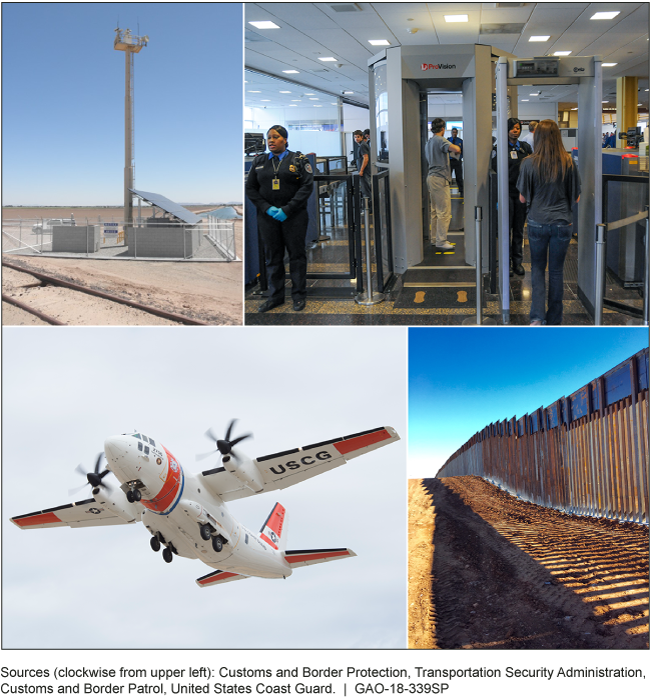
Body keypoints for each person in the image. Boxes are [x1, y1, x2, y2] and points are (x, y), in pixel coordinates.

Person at [517, 119, 581, 326]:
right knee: (556, 271)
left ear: (537, 136)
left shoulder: (528, 162)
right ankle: (555, 319)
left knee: (537, 269)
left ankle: (537, 317)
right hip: (562, 223)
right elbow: (576, 198)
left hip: (537, 222)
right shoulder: (568, 161)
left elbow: (522, 199)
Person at [246, 125, 314, 313]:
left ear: (285, 139)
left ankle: (299, 295)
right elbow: (250, 188)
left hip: (294, 216)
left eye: (275, 137)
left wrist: (287, 209)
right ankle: (275, 296)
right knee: (273, 258)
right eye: (269, 137)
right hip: (268, 218)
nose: (271, 140)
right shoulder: (259, 161)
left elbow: (306, 187)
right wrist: (266, 208)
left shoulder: (299, 160)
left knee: (296, 256)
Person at [492, 117, 532, 276]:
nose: (515, 131)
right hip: (506, 193)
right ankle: (506, 263)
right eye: (512, 128)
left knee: (519, 229)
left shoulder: (525, 148)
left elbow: (532, 167)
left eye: (517, 128)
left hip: (521, 194)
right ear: (507, 130)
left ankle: (517, 262)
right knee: (505, 229)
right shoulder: (499, 148)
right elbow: (495, 168)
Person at [425, 118, 462, 251]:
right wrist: (457, 149)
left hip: (431, 178)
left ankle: (435, 238)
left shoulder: (429, 142)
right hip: (440, 179)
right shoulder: (440, 140)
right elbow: (455, 148)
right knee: (444, 212)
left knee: (435, 211)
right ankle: (441, 241)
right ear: (443, 129)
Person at [354, 129, 371, 202]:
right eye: (355, 137)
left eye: (358, 137)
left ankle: (369, 209)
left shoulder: (362, 146)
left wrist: (361, 170)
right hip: (364, 171)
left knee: (366, 190)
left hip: (364, 171)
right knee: (365, 189)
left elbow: (366, 158)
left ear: (361, 137)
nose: (356, 139)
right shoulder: (361, 145)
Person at [448, 128, 464, 197]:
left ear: (457, 133)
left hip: (457, 161)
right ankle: (447, 191)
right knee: (448, 177)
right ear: (451, 133)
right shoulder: (448, 141)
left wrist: (460, 157)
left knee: (459, 177)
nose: (454, 134)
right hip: (450, 161)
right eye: (453, 132)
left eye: (455, 132)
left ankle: (461, 191)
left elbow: (463, 151)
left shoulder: (460, 141)